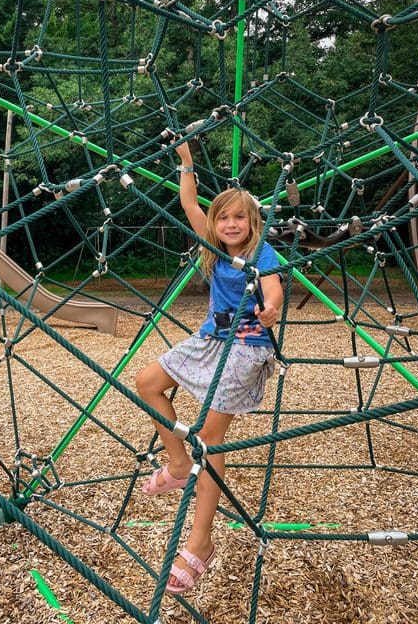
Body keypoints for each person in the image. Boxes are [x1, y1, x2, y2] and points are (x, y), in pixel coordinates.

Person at [135, 140, 283, 595]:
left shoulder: (261, 254)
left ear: (253, 222)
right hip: (210, 339)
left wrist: (271, 308)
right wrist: (186, 163)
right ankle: (178, 466)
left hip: (246, 347)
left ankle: (200, 543)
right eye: (224, 217)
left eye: (240, 217)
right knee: (147, 381)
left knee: (210, 438)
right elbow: (187, 201)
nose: (231, 224)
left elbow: (274, 290)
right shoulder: (213, 245)